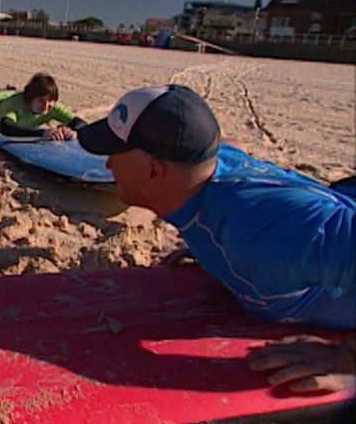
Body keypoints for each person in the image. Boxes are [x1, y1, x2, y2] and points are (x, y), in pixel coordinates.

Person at [77, 84, 354, 392]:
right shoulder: (204, 174)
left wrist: (347, 358)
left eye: (115, 155)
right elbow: (231, 146)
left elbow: (284, 231)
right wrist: (204, 241)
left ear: (154, 172)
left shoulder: (260, 236)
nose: (108, 164)